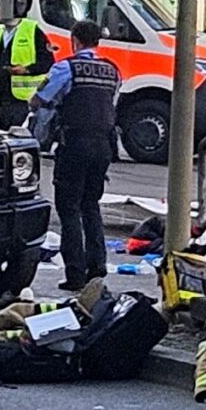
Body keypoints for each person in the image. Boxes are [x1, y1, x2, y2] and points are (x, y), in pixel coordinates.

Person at [30, 20, 120, 291]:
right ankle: (98, 265)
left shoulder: (66, 67)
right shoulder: (112, 71)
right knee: (91, 205)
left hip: (75, 142)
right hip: (104, 145)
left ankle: (75, 273)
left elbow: (41, 98)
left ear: (75, 40)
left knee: (68, 207)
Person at [0, 13, 54, 131]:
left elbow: (47, 62)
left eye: (0, 5)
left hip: (24, 100)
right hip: (3, 98)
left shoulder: (32, 30)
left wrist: (26, 69)